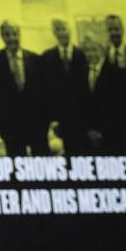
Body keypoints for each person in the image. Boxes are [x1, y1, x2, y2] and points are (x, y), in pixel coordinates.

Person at [0, 21, 48, 155]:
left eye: (15, 34)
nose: (12, 38)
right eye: (7, 34)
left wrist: (46, 122)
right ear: (1, 36)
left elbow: (44, 93)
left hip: (37, 125)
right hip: (10, 127)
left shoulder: (36, 59)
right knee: (17, 166)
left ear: (20, 35)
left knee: (43, 163)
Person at [38, 18, 87, 152]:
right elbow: (45, 91)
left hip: (82, 117)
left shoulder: (83, 54)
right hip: (60, 119)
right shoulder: (46, 57)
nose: (62, 33)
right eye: (58, 30)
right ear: (54, 33)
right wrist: (53, 119)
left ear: (70, 30)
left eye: (64, 29)